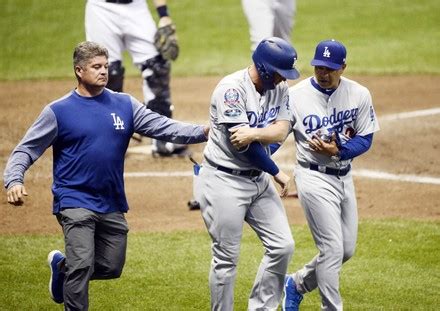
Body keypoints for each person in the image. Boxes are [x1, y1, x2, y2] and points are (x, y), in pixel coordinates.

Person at [3, 41, 208, 311]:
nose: (103, 71)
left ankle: (63, 269)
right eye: (96, 67)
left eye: (105, 66)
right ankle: (73, 276)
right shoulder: (58, 111)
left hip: (110, 200)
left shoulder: (124, 104)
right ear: (79, 70)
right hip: (73, 199)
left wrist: (203, 131)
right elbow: (26, 149)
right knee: (83, 265)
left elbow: (163, 127)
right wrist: (14, 180)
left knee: (111, 266)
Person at [231, 39, 380, 310]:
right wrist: (259, 162)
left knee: (346, 250)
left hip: (345, 177)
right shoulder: (295, 96)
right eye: (319, 67)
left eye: (330, 69)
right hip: (313, 178)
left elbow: (366, 137)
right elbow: (276, 138)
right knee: (332, 250)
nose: (323, 73)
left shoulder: (359, 94)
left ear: (343, 68)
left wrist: (339, 151)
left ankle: (296, 283)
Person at [193, 37, 300, 310]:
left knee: (282, 246)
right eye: (279, 73)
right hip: (224, 181)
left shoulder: (281, 87)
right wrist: (277, 172)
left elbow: (282, 130)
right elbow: (242, 150)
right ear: (264, 68)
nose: (281, 80)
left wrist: (255, 133)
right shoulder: (231, 90)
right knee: (226, 259)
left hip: (257, 179)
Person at [85, 0, 187, 157]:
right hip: (100, 9)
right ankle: (109, 135)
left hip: (136, 8)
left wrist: (163, 14)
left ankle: (162, 137)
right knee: (107, 72)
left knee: (157, 66)